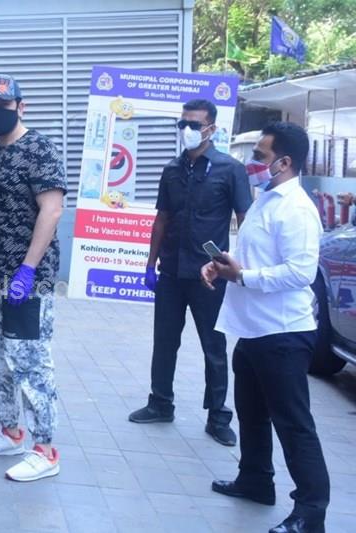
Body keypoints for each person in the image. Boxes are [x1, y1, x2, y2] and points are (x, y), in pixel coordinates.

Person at [203, 122, 330, 533]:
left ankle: (311, 512)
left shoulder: (297, 209)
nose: (252, 162)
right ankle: (256, 480)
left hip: (283, 333)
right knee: (252, 413)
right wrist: (223, 265)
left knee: (293, 424)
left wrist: (243, 277)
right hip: (253, 328)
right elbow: (255, 255)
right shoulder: (266, 199)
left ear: (285, 162)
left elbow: (300, 272)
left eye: (260, 155)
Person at [128, 99, 252, 447]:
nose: (187, 130)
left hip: (209, 274)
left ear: (211, 128)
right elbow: (162, 219)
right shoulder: (172, 169)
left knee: (214, 346)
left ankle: (218, 416)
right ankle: (160, 403)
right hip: (171, 271)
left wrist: (238, 267)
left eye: (194, 125)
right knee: (165, 341)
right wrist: (149, 264)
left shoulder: (230, 170)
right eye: (182, 124)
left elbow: (246, 221)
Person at [0, 75, 66, 482]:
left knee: (30, 363)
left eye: (4, 106)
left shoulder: (39, 149)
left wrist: (27, 268)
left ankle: (46, 449)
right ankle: (11, 433)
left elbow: (52, 210)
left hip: (29, 279)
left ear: (21, 107)